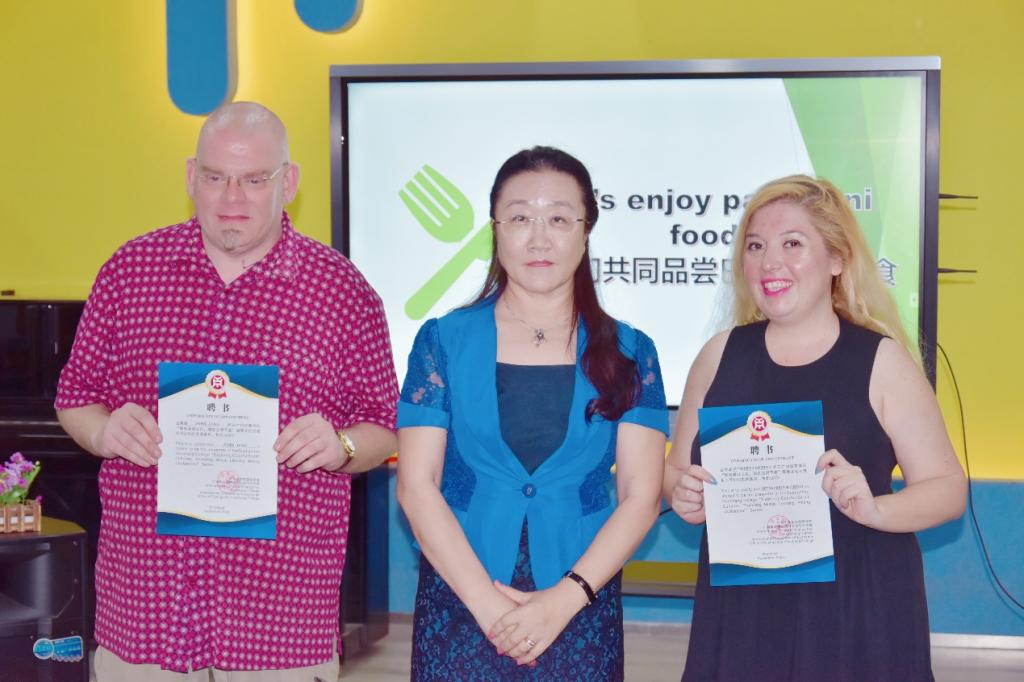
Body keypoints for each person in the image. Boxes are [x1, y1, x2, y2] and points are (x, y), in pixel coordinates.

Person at [55, 102, 399, 680]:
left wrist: (339, 446)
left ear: (288, 183)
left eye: (254, 179)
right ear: (192, 177)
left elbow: (385, 425)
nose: (232, 198)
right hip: (145, 609)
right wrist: (104, 431)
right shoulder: (130, 272)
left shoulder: (342, 292)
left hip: (279, 618)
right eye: (216, 178)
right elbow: (75, 397)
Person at [663, 175, 967, 682]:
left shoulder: (881, 360)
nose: (769, 263)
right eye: (755, 246)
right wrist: (683, 494)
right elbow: (675, 470)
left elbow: (948, 489)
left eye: (792, 244)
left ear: (837, 259)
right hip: (743, 614)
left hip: (857, 609)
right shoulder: (718, 356)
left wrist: (876, 508)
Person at [396, 146, 669, 680]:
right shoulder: (443, 341)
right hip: (462, 602)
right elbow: (416, 485)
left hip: (579, 607)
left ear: (586, 232)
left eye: (559, 219)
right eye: (520, 218)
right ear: (495, 230)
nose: (539, 238)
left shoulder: (631, 352)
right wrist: (488, 607)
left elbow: (641, 495)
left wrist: (564, 601)